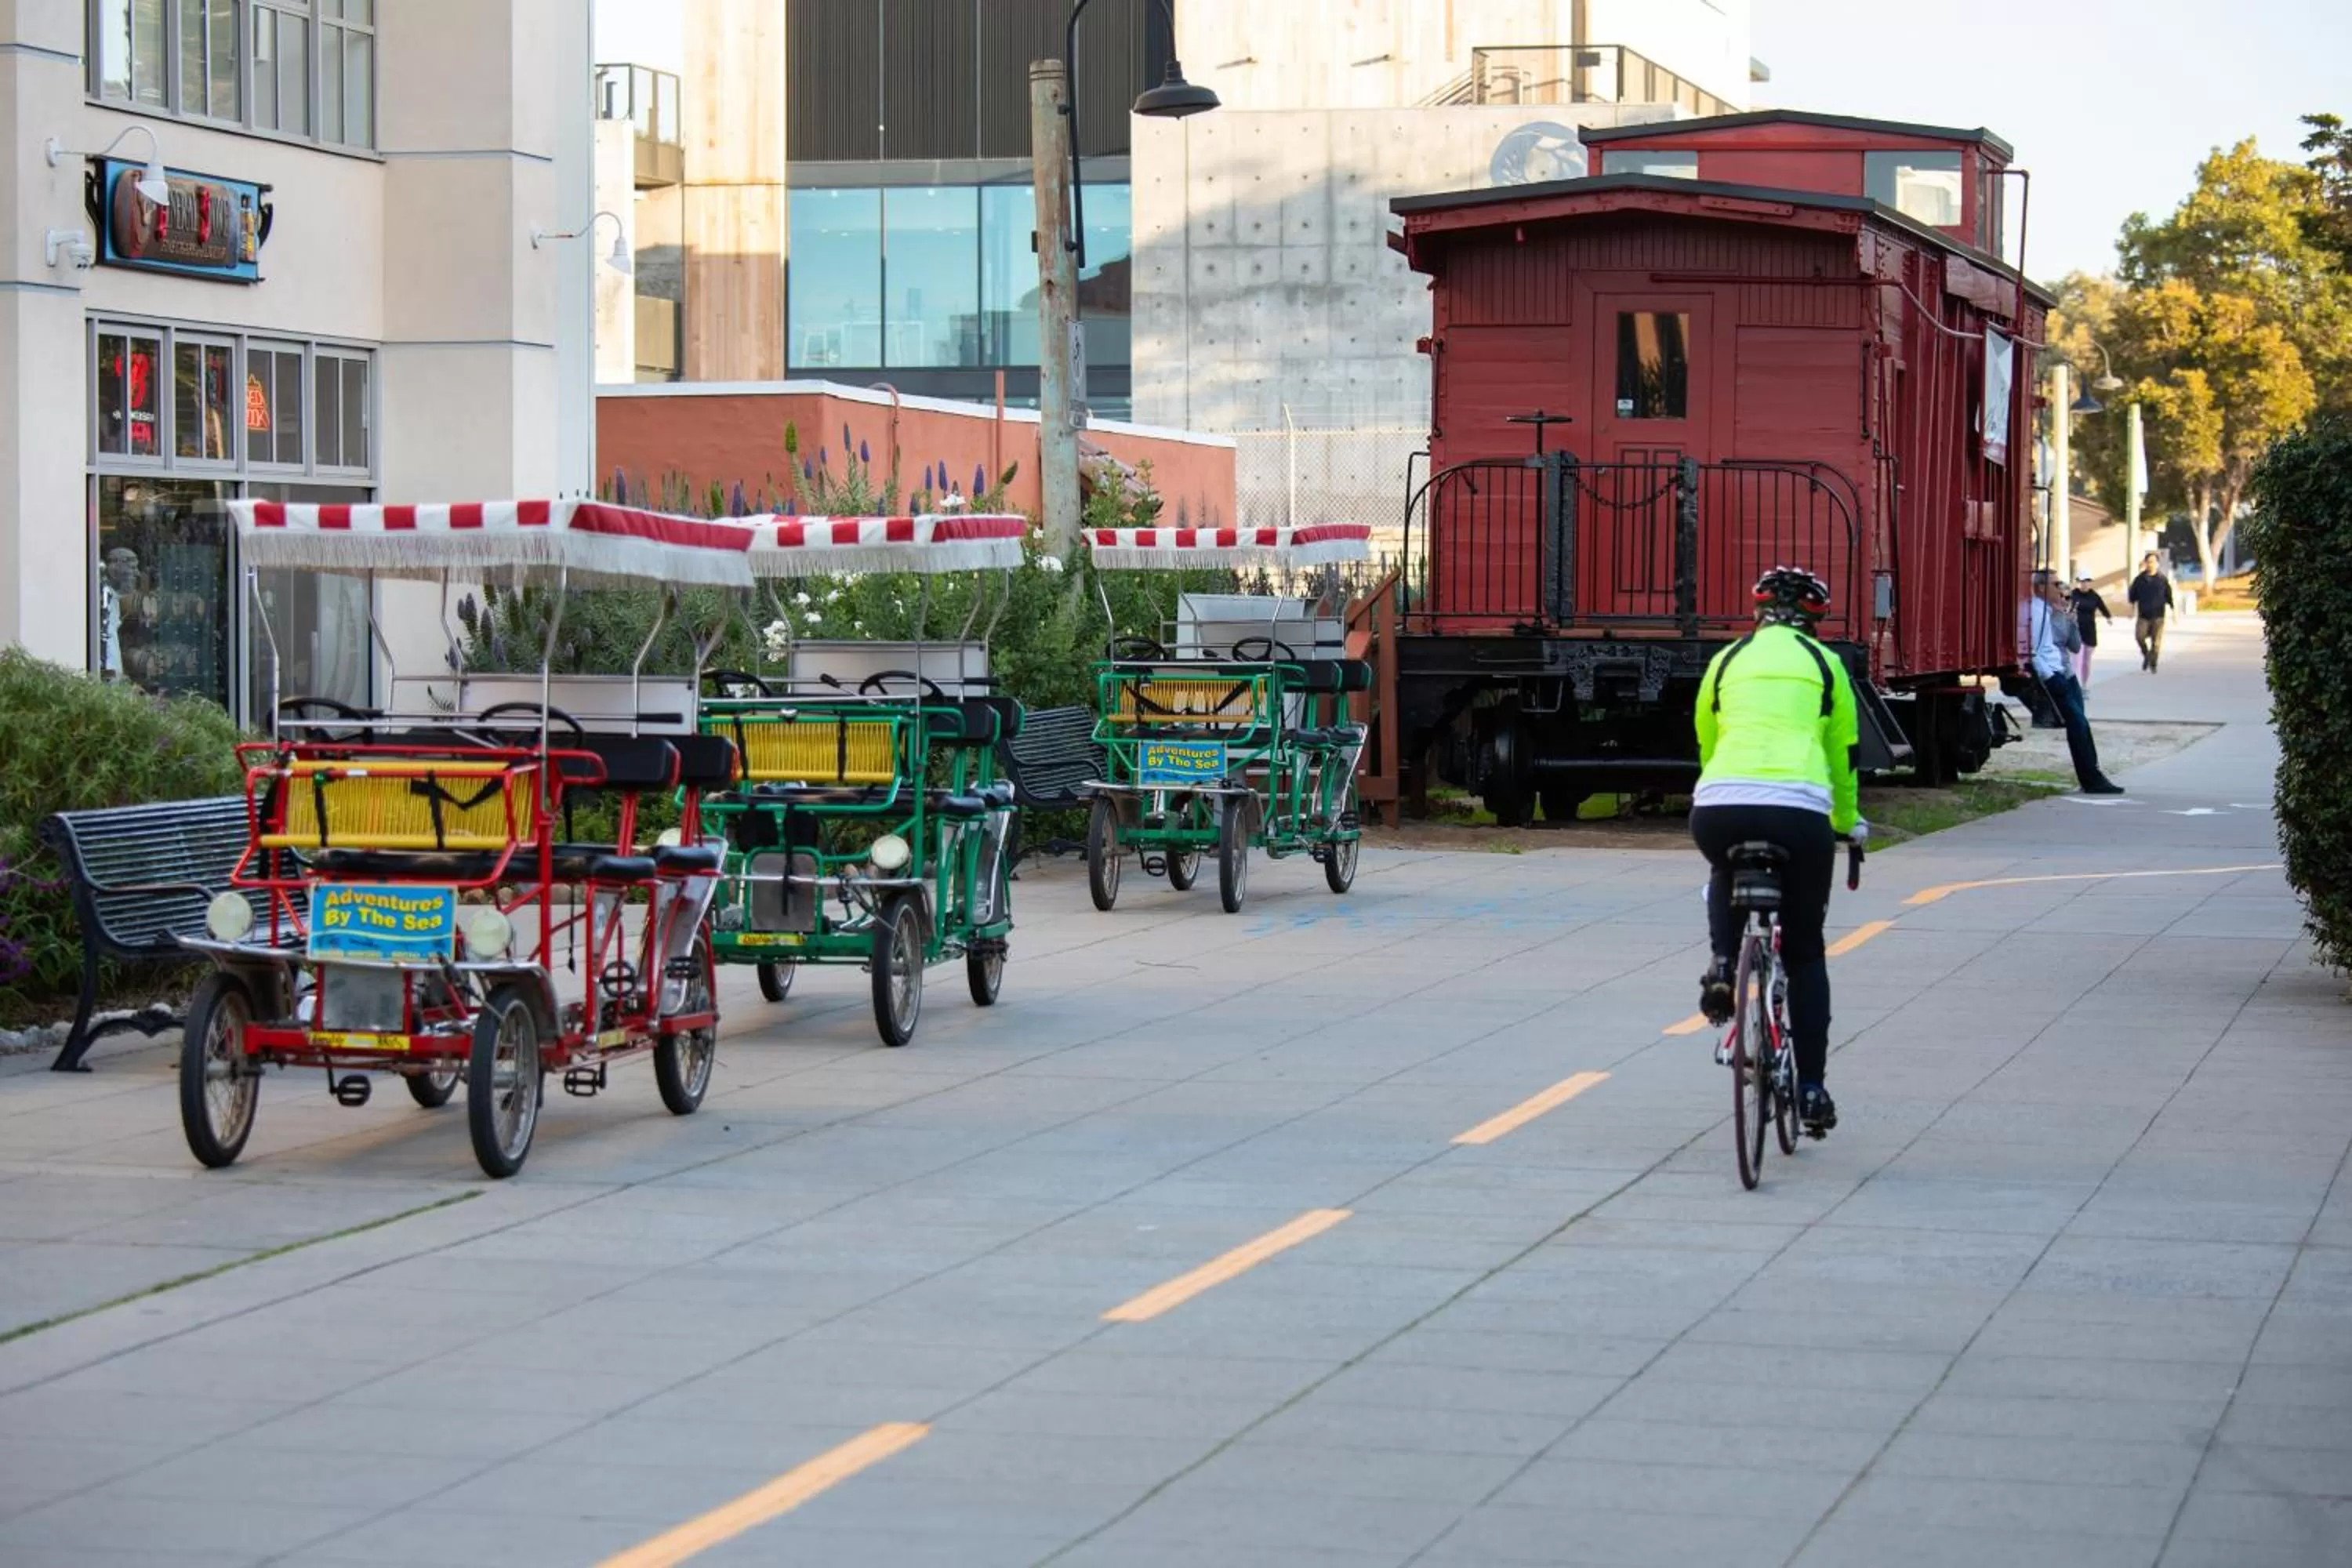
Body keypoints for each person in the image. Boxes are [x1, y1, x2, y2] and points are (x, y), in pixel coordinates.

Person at [1693, 566, 1860, 1138]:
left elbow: (1707, 738)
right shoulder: (1826, 666)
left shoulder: (1727, 661)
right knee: (1806, 952)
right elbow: (1844, 758)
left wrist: (1726, 791)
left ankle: (1721, 963)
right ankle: (1811, 1088)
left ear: (1757, 616)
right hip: (1799, 810)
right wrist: (1849, 823)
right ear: (1816, 622)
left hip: (1720, 805)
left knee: (1723, 865)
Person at [2025, 570, 2124, 796]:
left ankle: (2093, 775)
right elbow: (2032, 651)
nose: (2061, 589)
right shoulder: (2034, 612)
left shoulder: (2052, 611)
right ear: (2041, 588)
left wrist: (2069, 620)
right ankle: (2092, 779)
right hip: (2055, 675)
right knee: (2077, 723)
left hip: (2065, 673)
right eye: (2056, 584)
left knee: (2081, 724)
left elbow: (2075, 646)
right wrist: (2050, 677)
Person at [2128, 552, 2175, 672]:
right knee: (2139, 637)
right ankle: (2147, 656)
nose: (2151, 564)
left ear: (2157, 564)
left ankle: (2153, 663)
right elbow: (2132, 597)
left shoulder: (2162, 580)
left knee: (2156, 642)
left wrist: (2175, 613)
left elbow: (2169, 597)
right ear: (2145, 564)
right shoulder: (2139, 580)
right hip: (2143, 615)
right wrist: (2131, 611)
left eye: (2153, 562)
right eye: (2148, 562)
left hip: (2159, 615)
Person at [2068, 572, 2113, 686]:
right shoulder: (2073, 594)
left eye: (2087, 581)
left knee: (2086, 662)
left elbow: (2102, 607)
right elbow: (2065, 606)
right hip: (2076, 631)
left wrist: (2108, 617)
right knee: (2076, 660)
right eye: (2082, 581)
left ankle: (2084, 685)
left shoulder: (2094, 596)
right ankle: (2076, 685)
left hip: (2090, 631)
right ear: (2078, 582)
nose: (2085, 584)